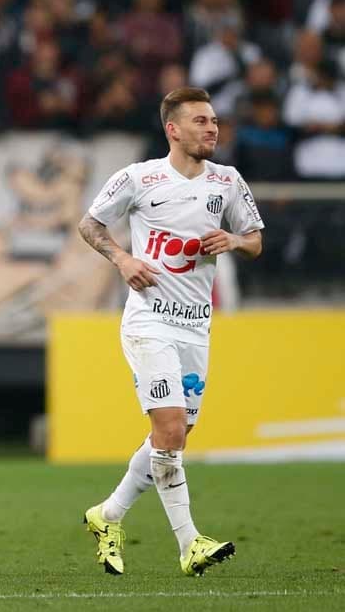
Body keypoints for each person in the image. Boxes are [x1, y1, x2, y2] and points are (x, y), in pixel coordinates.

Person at [78, 87, 264, 577]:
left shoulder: (227, 182)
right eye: (201, 121)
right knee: (169, 429)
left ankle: (107, 514)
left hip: (196, 328)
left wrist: (234, 240)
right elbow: (89, 225)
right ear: (173, 130)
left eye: (214, 120)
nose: (212, 128)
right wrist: (122, 259)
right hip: (149, 322)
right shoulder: (139, 178)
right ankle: (190, 543)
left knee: (174, 437)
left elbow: (257, 241)